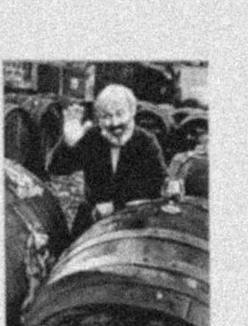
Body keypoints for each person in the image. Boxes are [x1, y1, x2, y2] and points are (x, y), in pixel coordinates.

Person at [51, 79, 167, 235]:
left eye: (120, 114)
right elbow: (57, 169)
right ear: (98, 118)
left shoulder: (146, 141)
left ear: (132, 112)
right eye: (106, 116)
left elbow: (156, 184)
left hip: (134, 222)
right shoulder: (93, 137)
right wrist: (68, 143)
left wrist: (115, 205)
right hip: (92, 221)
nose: (114, 123)